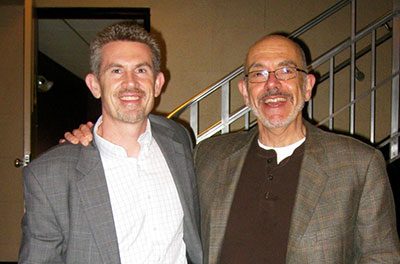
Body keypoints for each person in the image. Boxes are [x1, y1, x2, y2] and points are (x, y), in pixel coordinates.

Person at [64, 34, 400, 263]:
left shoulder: (359, 164)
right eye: (258, 74)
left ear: (307, 85)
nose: (272, 85)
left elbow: (381, 257)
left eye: (285, 71)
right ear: (244, 91)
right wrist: (94, 137)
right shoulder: (209, 156)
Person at [19, 21, 202, 264]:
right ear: (95, 85)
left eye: (141, 70)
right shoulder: (49, 176)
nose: (130, 83)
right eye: (116, 71)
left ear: (157, 83)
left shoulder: (178, 139)